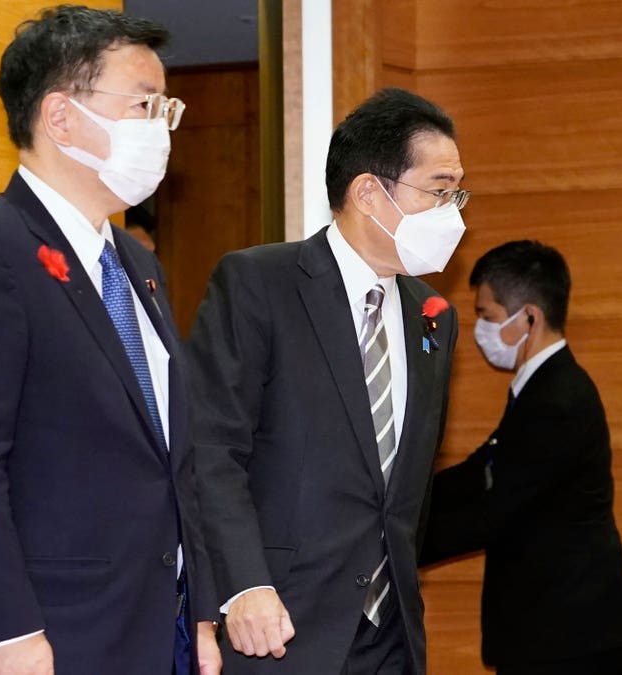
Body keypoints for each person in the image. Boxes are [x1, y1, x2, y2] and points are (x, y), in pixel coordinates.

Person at [0, 6, 220, 675]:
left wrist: (203, 610)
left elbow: (173, 459)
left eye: (166, 108)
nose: (161, 127)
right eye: (144, 104)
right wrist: (8, 629)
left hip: (159, 626)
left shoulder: (137, 264)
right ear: (62, 117)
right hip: (51, 634)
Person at [187, 87, 465, 674]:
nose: (454, 213)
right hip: (280, 625)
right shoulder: (260, 284)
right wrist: (241, 585)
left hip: (391, 637)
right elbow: (211, 449)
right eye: (439, 192)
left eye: (457, 194)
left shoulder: (433, 314)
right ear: (368, 191)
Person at [420, 240, 622, 674]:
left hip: (574, 634)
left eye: (487, 317)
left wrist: (398, 544)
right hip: (559, 631)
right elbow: (483, 470)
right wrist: (403, 502)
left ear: (529, 316)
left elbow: (498, 512)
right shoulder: (542, 387)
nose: (480, 331)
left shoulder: (557, 399)